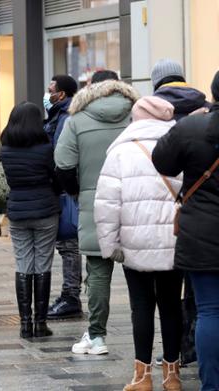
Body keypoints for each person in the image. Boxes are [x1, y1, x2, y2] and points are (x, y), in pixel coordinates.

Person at [95, 96, 183, 391]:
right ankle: (172, 375)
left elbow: (106, 205)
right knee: (171, 305)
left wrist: (110, 246)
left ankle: (142, 376)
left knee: (141, 307)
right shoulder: (180, 146)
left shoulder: (120, 151)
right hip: (174, 239)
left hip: (134, 242)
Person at [55, 77, 140, 355]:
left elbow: (64, 164)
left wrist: (80, 193)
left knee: (98, 272)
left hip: (95, 202)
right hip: (136, 200)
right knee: (139, 272)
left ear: (91, 89)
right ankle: (145, 340)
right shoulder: (137, 114)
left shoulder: (77, 120)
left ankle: (97, 336)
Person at [152, 71, 219, 390]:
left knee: (209, 310)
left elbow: (162, 162)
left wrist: (188, 122)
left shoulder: (192, 126)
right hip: (202, 231)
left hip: (201, 231)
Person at [0, 102, 60, 338]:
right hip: (45, 208)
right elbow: (55, 177)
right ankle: (40, 322)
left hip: (17, 211)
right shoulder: (46, 148)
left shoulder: (5, 150)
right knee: (43, 263)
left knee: (23, 264)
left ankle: (25, 324)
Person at [42, 74, 83, 320]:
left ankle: (71, 296)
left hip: (66, 190)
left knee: (69, 244)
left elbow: (61, 158)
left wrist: (61, 187)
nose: (48, 95)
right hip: (64, 190)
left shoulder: (66, 119)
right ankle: (69, 294)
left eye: (51, 90)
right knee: (68, 244)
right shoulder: (59, 115)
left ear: (62, 94)